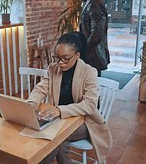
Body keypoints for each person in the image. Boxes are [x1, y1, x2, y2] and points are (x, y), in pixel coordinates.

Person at [27, 32, 112, 164]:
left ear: (77, 55)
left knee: (55, 138)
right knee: (47, 135)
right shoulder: (52, 68)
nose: (60, 63)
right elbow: (40, 88)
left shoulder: (89, 72)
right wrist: (31, 102)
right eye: (57, 58)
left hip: (84, 121)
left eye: (65, 58)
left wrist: (60, 110)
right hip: (59, 120)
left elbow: (90, 105)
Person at [79, 0, 110, 77]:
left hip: (93, 53)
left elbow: (97, 33)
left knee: (92, 84)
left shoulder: (96, 3)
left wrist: (85, 49)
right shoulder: (91, 1)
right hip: (91, 52)